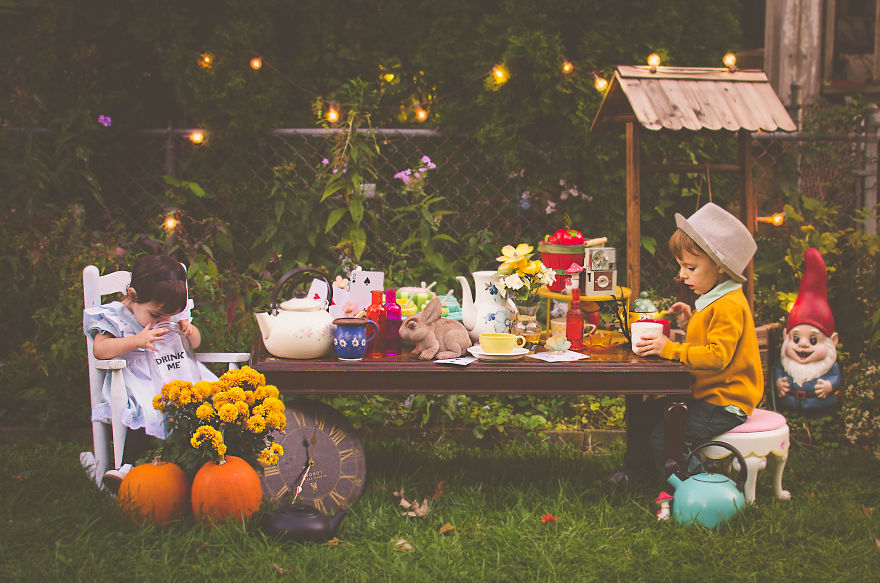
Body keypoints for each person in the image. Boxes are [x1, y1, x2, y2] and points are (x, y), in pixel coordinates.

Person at [619, 202, 764, 484]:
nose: (682, 274)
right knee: (645, 415)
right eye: (681, 266)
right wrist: (688, 322)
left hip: (724, 403)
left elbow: (718, 356)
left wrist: (669, 348)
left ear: (720, 267)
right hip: (710, 396)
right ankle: (639, 477)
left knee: (666, 436)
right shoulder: (715, 300)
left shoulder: (728, 305)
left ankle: (700, 488)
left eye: (690, 267)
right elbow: (711, 339)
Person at [83, 254, 214, 490]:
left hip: (172, 370)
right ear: (133, 296)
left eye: (171, 315)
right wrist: (136, 340)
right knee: (148, 404)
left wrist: (189, 331)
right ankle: (128, 467)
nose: (165, 320)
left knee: (205, 398)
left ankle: (200, 461)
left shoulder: (170, 312)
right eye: (156, 315)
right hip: (134, 376)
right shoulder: (115, 316)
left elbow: (194, 345)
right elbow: (100, 350)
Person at [774, 248, 841, 414]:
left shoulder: (830, 368)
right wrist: (778, 383)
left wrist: (829, 385)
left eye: (813, 340)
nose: (802, 345)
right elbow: (778, 372)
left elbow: (835, 377)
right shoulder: (785, 366)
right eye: (795, 339)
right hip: (789, 408)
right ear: (786, 337)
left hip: (821, 408)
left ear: (832, 341)